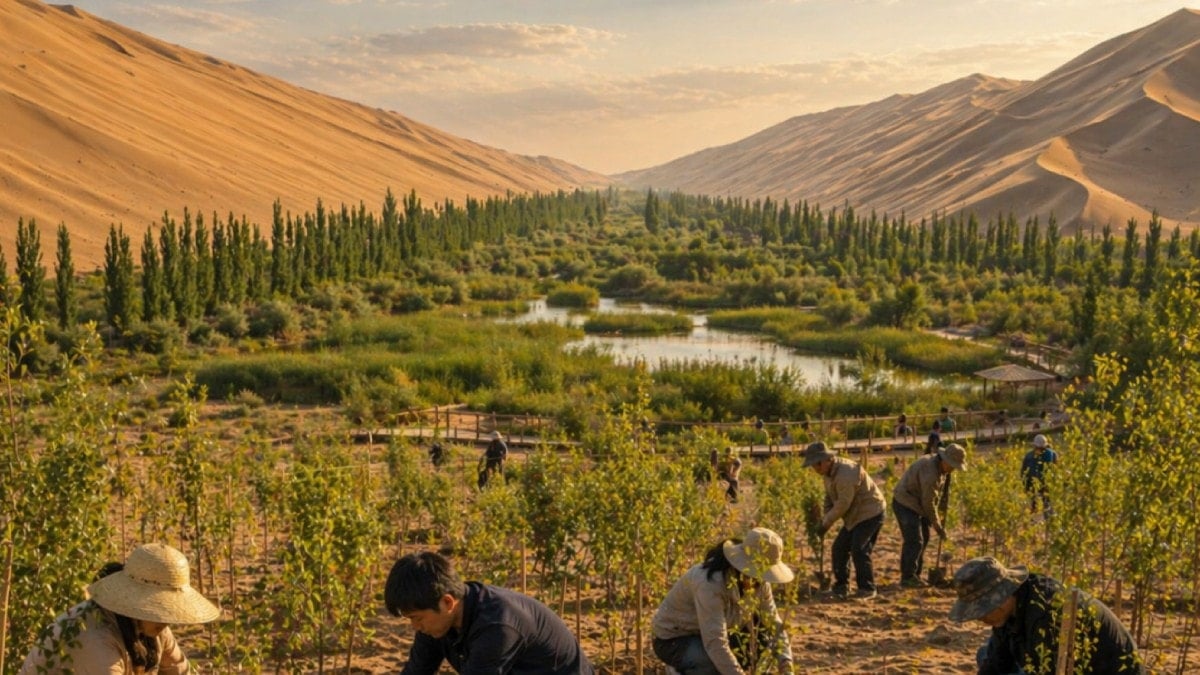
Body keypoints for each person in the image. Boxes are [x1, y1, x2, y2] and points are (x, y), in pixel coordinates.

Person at [20, 543, 220, 674]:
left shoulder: (153, 627)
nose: (166, 620)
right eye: (159, 608)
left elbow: (180, 670)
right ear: (137, 601)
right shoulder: (95, 637)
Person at [385, 550, 594, 674]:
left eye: (417, 618)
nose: (415, 627)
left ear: (447, 602)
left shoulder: (497, 626)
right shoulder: (435, 622)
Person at [949, 557, 1145, 674]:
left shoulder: (1046, 615)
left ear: (1001, 597)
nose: (980, 619)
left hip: (1105, 671)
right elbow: (998, 659)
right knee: (985, 654)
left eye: (982, 611)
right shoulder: (1014, 604)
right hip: (1045, 663)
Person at [652, 528, 795, 675]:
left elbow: (774, 624)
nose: (759, 579)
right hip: (675, 638)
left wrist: (786, 664)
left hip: (716, 632)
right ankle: (679, 670)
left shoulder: (761, 583)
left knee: (763, 637)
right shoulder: (710, 584)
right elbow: (715, 642)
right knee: (709, 663)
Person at [802, 441, 886, 600]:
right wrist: (824, 517)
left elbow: (843, 504)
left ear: (826, 460)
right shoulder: (827, 473)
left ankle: (867, 588)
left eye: (816, 465)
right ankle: (841, 587)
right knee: (839, 548)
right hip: (854, 515)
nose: (815, 469)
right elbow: (830, 497)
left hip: (870, 512)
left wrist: (826, 522)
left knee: (859, 549)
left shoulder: (846, 474)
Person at [893, 443, 966, 588]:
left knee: (924, 538)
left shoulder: (943, 469)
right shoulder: (931, 474)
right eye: (952, 465)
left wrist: (943, 512)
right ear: (944, 460)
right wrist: (938, 526)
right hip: (905, 502)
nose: (953, 469)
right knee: (914, 540)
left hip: (918, 503)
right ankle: (907, 578)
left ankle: (916, 574)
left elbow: (943, 495)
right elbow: (928, 503)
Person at [1021, 434, 1058, 513]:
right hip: (1038, 483)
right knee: (1045, 503)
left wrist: (1025, 486)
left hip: (1038, 483)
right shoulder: (1051, 453)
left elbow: (1023, 472)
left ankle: (1039, 512)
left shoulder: (1029, 456)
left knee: (1043, 502)